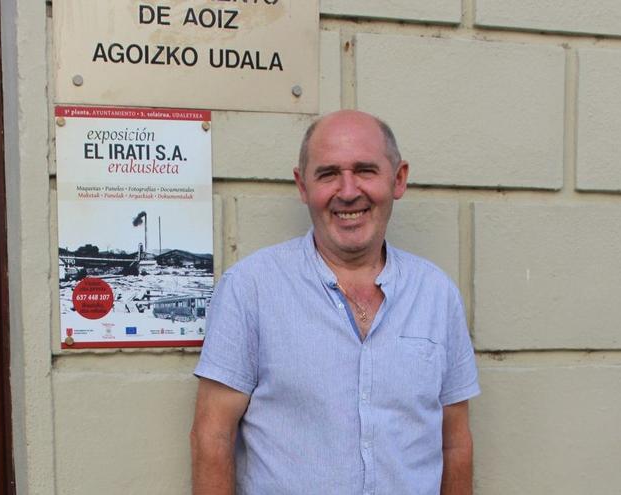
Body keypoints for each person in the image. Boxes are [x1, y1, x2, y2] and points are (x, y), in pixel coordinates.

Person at [191, 110, 480, 495]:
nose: (347, 191)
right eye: (328, 174)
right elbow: (212, 436)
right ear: (302, 185)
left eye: (365, 170)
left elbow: (455, 444)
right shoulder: (250, 289)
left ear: (398, 179)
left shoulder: (437, 295)